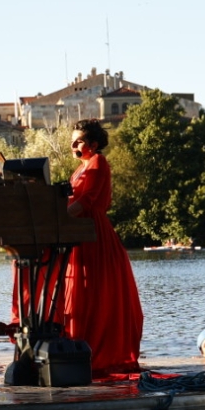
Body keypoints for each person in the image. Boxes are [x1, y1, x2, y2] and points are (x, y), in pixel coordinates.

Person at [60, 118, 143, 375]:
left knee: (93, 291)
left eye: (79, 141)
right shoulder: (80, 169)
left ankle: (96, 352)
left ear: (93, 145)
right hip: (78, 231)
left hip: (92, 233)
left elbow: (88, 200)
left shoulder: (98, 162)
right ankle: (79, 348)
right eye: (72, 140)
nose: (73, 144)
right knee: (80, 292)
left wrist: (59, 221)